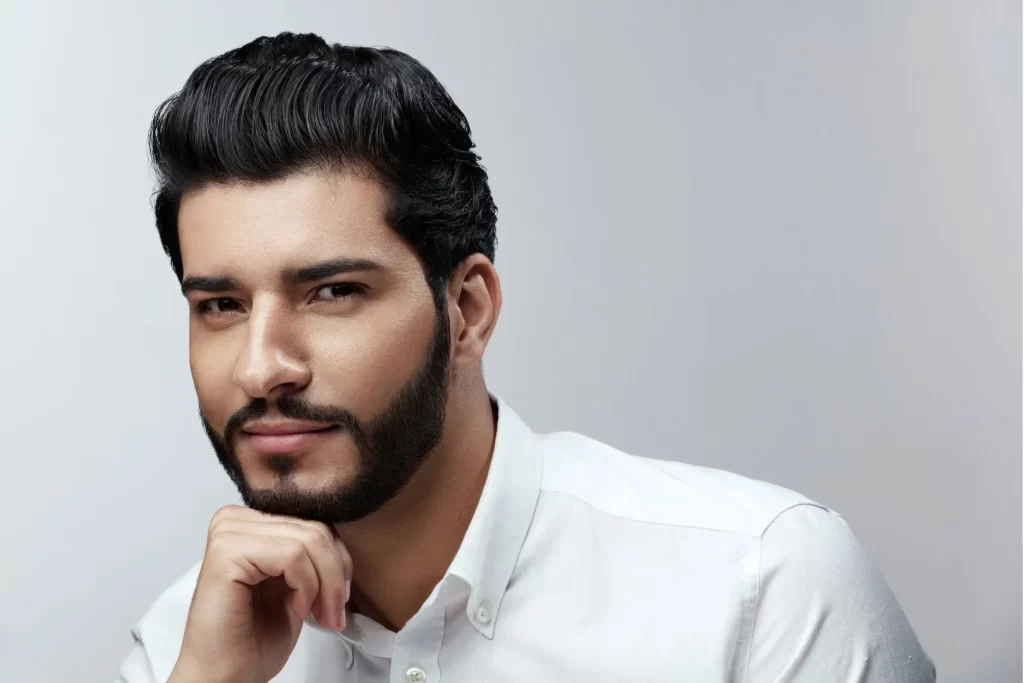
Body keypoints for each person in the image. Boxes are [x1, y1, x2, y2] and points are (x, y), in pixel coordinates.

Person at [116, 31, 936, 683]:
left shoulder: (762, 588)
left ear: (467, 311)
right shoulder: (190, 645)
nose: (261, 367)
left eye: (332, 292)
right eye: (220, 305)